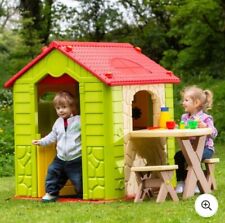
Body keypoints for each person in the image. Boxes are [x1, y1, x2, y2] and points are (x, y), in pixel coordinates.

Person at [32, 91, 82, 202]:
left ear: (72, 107)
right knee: (52, 173)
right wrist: (41, 141)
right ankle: (51, 193)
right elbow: (53, 135)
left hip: (76, 158)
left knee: (78, 179)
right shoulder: (58, 122)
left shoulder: (79, 121)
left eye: (64, 107)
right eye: (58, 108)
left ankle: (81, 194)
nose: (61, 110)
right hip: (60, 158)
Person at [174, 86, 217, 193]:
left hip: (206, 149)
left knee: (194, 158)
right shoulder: (185, 117)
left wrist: (205, 127)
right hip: (190, 148)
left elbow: (214, 133)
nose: (183, 102)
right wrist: (178, 129)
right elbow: (184, 131)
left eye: (186, 100)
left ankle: (197, 183)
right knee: (179, 156)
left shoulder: (206, 118)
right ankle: (181, 182)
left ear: (197, 102)